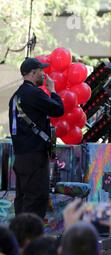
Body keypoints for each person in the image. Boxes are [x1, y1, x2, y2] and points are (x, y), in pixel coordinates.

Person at [9, 57, 64, 218]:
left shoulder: (15, 96)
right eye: (41, 71)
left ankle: (19, 238)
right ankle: (30, 239)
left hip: (20, 156)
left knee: (22, 199)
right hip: (34, 157)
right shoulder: (33, 93)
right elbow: (58, 109)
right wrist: (53, 91)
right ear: (33, 73)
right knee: (37, 199)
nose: (44, 74)